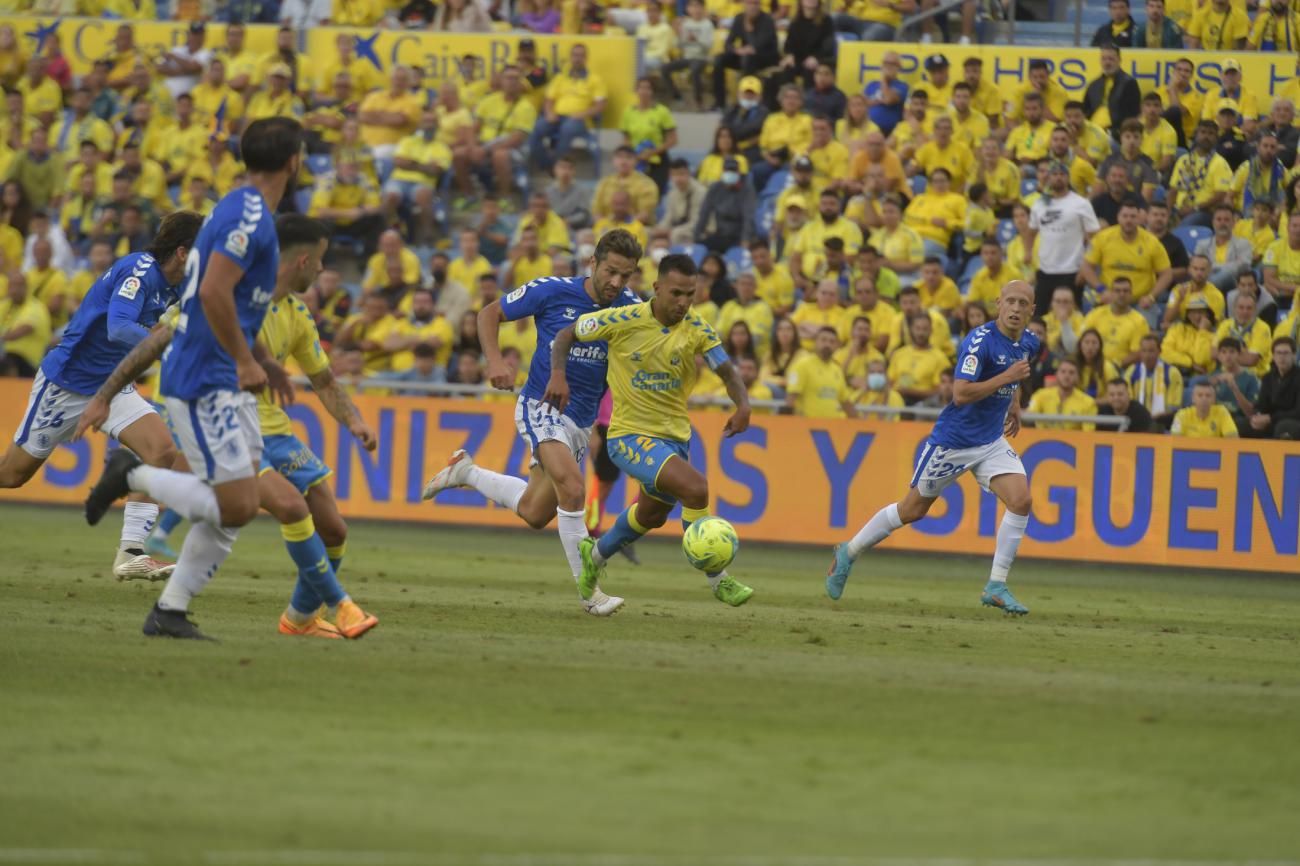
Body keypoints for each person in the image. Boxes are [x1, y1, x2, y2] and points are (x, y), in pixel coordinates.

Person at [80, 216, 381, 640]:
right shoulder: (221, 293)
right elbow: (158, 341)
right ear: (302, 259)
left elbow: (324, 381)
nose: (322, 272)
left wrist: (355, 422)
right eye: (321, 262)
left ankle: (295, 619)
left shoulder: (294, 314)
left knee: (328, 526)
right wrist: (105, 395)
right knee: (286, 508)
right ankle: (341, 605)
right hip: (216, 417)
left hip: (269, 428)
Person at [81, 117, 304, 641]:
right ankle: (132, 475)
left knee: (234, 508)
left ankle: (170, 611)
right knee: (239, 505)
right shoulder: (249, 214)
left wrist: (262, 359)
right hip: (207, 378)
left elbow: (236, 300)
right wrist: (246, 362)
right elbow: (213, 294)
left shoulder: (240, 207)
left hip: (225, 372)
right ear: (293, 159)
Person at [423, 230, 643, 616]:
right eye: (611, 271)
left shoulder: (629, 307)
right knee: (574, 489)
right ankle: (590, 594)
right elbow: (489, 313)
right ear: (592, 264)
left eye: (626, 275)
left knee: (535, 512)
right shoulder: (552, 290)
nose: (617, 283)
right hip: (541, 405)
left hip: (580, 421)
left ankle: (466, 472)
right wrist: (495, 361)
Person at [0, 212, 202, 580]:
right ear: (184, 252)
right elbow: (119, 328)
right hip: (66, 384)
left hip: (110, 384)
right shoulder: (139, 271)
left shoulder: (180, 284)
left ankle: (131, 554)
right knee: (12, 475)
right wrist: (169, 347)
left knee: (161, 450)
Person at [545, 253, 754, 608]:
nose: (684, 302)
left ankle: (592, 559)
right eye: (676, 293)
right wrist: (558, 374)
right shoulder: (622, 319)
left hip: (674, 437)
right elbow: (567, 335)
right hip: (628, 436)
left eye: (690, 294)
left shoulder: (698, 328)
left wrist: (744, 405)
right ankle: (718, 579)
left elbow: (727, 371)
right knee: (696, 487)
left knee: (651, 515)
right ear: (656, 288)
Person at [828, 280, 1038, 615]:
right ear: (998, 303)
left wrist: (1014, 402)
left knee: (1021, 500)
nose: (1015, 308)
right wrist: (1006, 378)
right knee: (911, 510)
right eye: (1009, 301)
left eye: (1022, 303)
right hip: (953, 442)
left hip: (990, 441)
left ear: (1031, 310)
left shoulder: (1029, 341)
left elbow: (1015, 373)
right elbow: (961, 393)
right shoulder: (977, 343)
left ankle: (996, 586)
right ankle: (848, 553)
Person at [1026, 160, 1101, 311]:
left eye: (1062, 174)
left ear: (1068, 178)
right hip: (1045, 270)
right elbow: (1031, 231)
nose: (1058, 178)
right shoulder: (1039, 204)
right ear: (1048, 178)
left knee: (1072, 314)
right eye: (1054, 174)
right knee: (1040, 314)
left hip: (1072, 270)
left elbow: (1094, 237)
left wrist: (1085, 267)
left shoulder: (1081, 203)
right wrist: (1028, 252)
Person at [711, 0, 779, 112]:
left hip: (765, 57)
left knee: (748, 59)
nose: (752, 7)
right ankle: (720, 103)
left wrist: (750, 35)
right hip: (744, 55)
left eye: (755, 3)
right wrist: (736, 50)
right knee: (719, 60)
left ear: (759, 5)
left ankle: (745, 101)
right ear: (744, 5)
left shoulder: (767, 20)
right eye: (749, 3)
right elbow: (729, 42)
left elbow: (763, 43)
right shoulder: (739, 18)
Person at [694, 158, 756, 253]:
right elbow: (704, 213)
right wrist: (696, 236)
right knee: (701, 248)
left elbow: (748, 217)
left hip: (738, 236)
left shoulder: (747, 190)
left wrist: (745, 240)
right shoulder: (715, 188)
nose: (730, 173)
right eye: (727, 171)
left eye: (733, 171)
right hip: (720, 234)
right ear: (723, 172)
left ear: (738, 172)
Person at [1248, 337, 1300, 438]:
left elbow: (1298, 412)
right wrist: (1257, 415)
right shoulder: (1268, 377)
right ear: (1273, 356)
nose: (1282, 357)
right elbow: (1261, 404)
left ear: (1294, 355)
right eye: (1278, 353)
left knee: (1284, 427)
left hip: (1294, 421)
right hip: (1271, 420)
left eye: (1286, 353)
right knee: (1244, 424)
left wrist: (1270, 418)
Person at [1083, 45, 1140, 135]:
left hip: (1116, 133)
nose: (1107, 63)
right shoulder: (1093, 85)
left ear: (1119, 60)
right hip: (1092, 132)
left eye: (1111, 59)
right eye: (1104, 59)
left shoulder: (1129, 83)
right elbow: (1085, 113)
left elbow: (1133, 114)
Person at [1172, 381, 1238, 438]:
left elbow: (1233, 439)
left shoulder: (1221, 412)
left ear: (1214, 399)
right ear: (1193, 398)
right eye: (1200, 395)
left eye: (1208, 395)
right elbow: (1174, 441)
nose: (1204, 399)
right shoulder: (1182, 415)